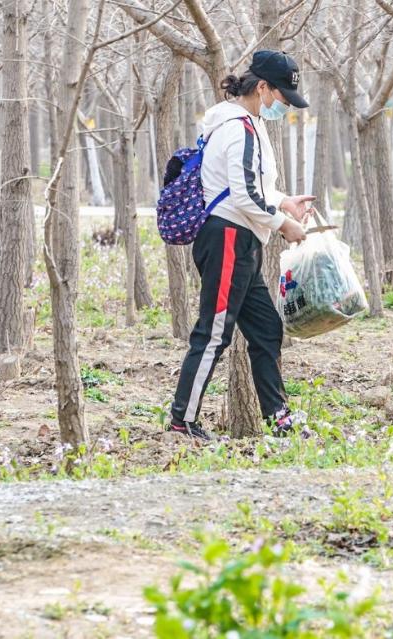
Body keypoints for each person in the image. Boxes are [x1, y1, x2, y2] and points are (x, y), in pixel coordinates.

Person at [168, 50, 312, 440]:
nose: (285, 106)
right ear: (262, 88)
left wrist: (284, 201)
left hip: (244, 239)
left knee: (266, 328)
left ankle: (279, 419)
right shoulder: (238, 128)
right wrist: (285, 224)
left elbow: (252, 187)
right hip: (228, 236)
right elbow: (244, 195)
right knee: (214, 332)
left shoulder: (251, 124)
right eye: (282, 98)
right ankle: (183, 421)